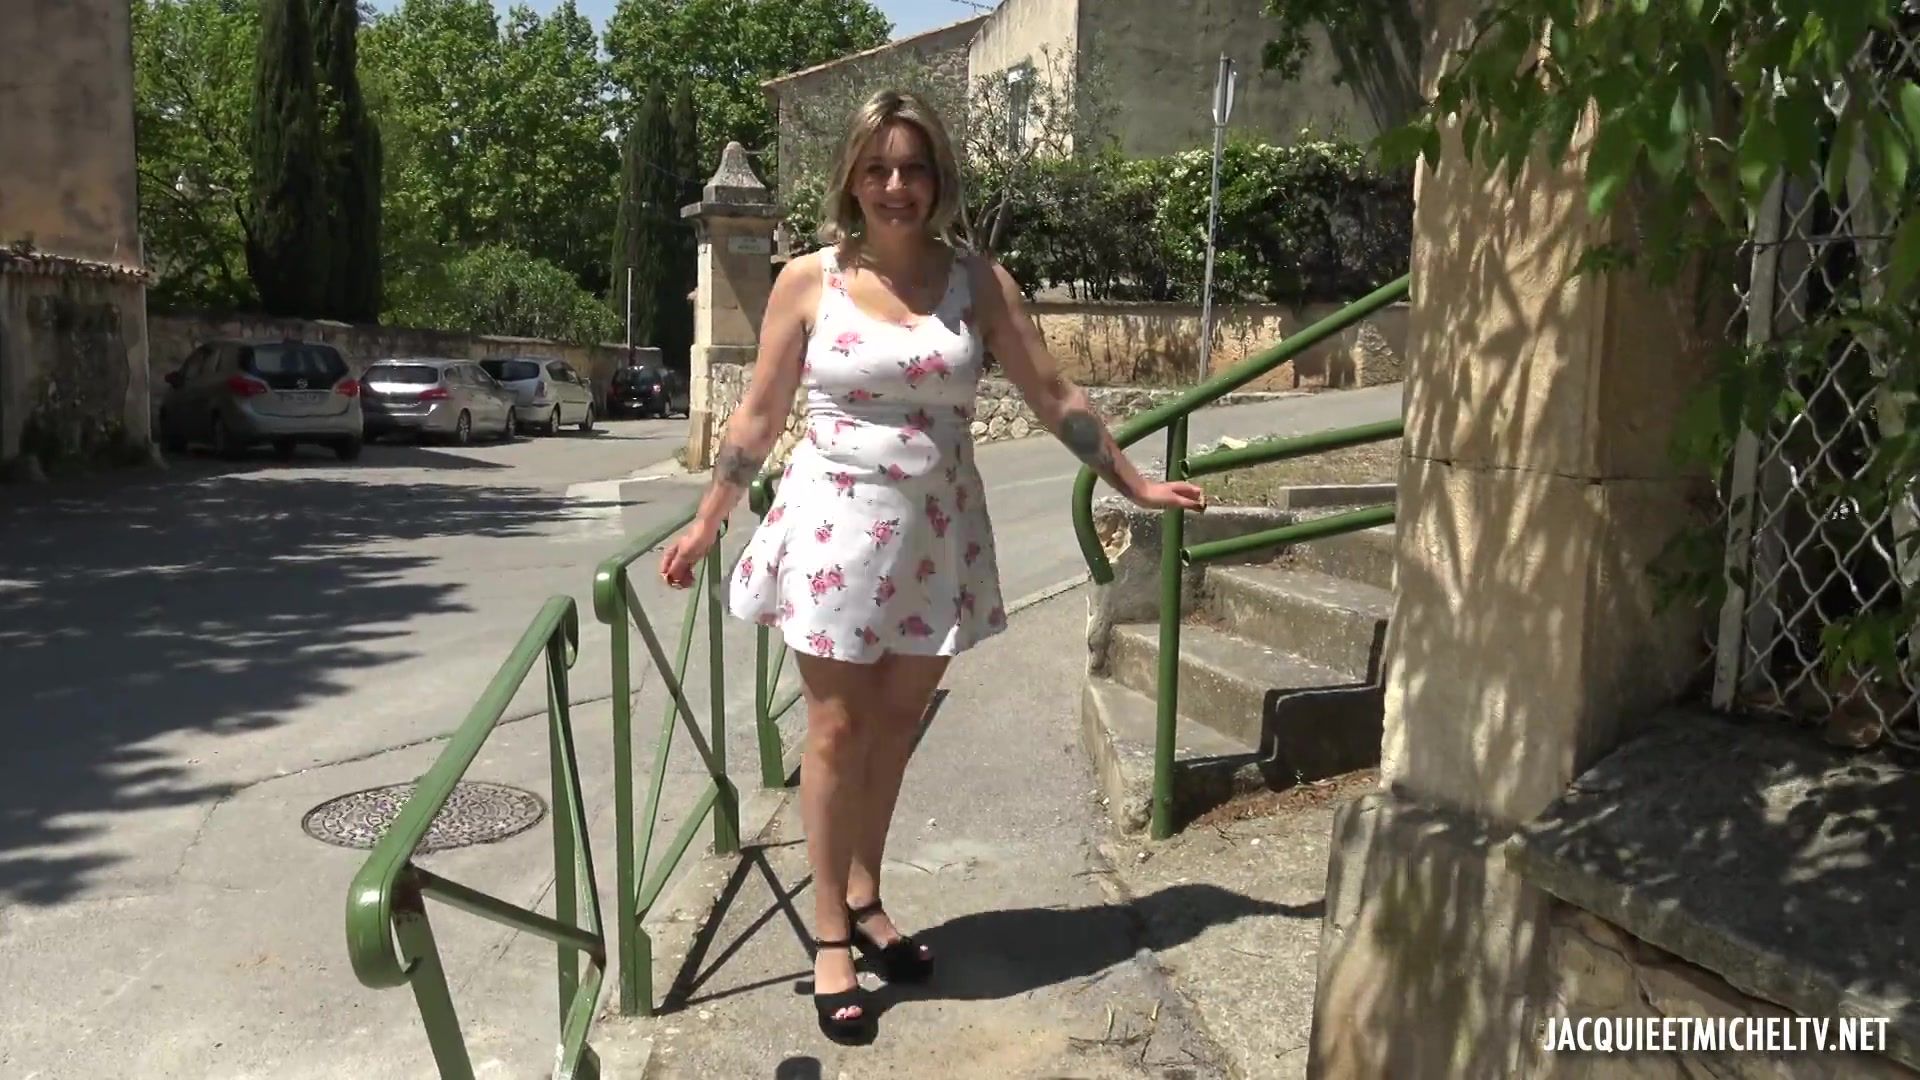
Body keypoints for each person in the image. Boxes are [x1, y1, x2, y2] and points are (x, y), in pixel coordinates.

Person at [657, 88, 1205, 1043]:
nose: (895, 185)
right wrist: (709, 519)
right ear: (852, 179)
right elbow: (758, 414)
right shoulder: (808, 280)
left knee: (895, 728)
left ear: (938, 178)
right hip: (833, 530)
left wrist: (1132, 481)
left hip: (936, 532)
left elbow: (1053, 394)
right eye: (877, 168)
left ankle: (865, 896)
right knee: (835, 731)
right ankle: (831, 937)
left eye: (913, 167)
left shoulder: (976, 282)